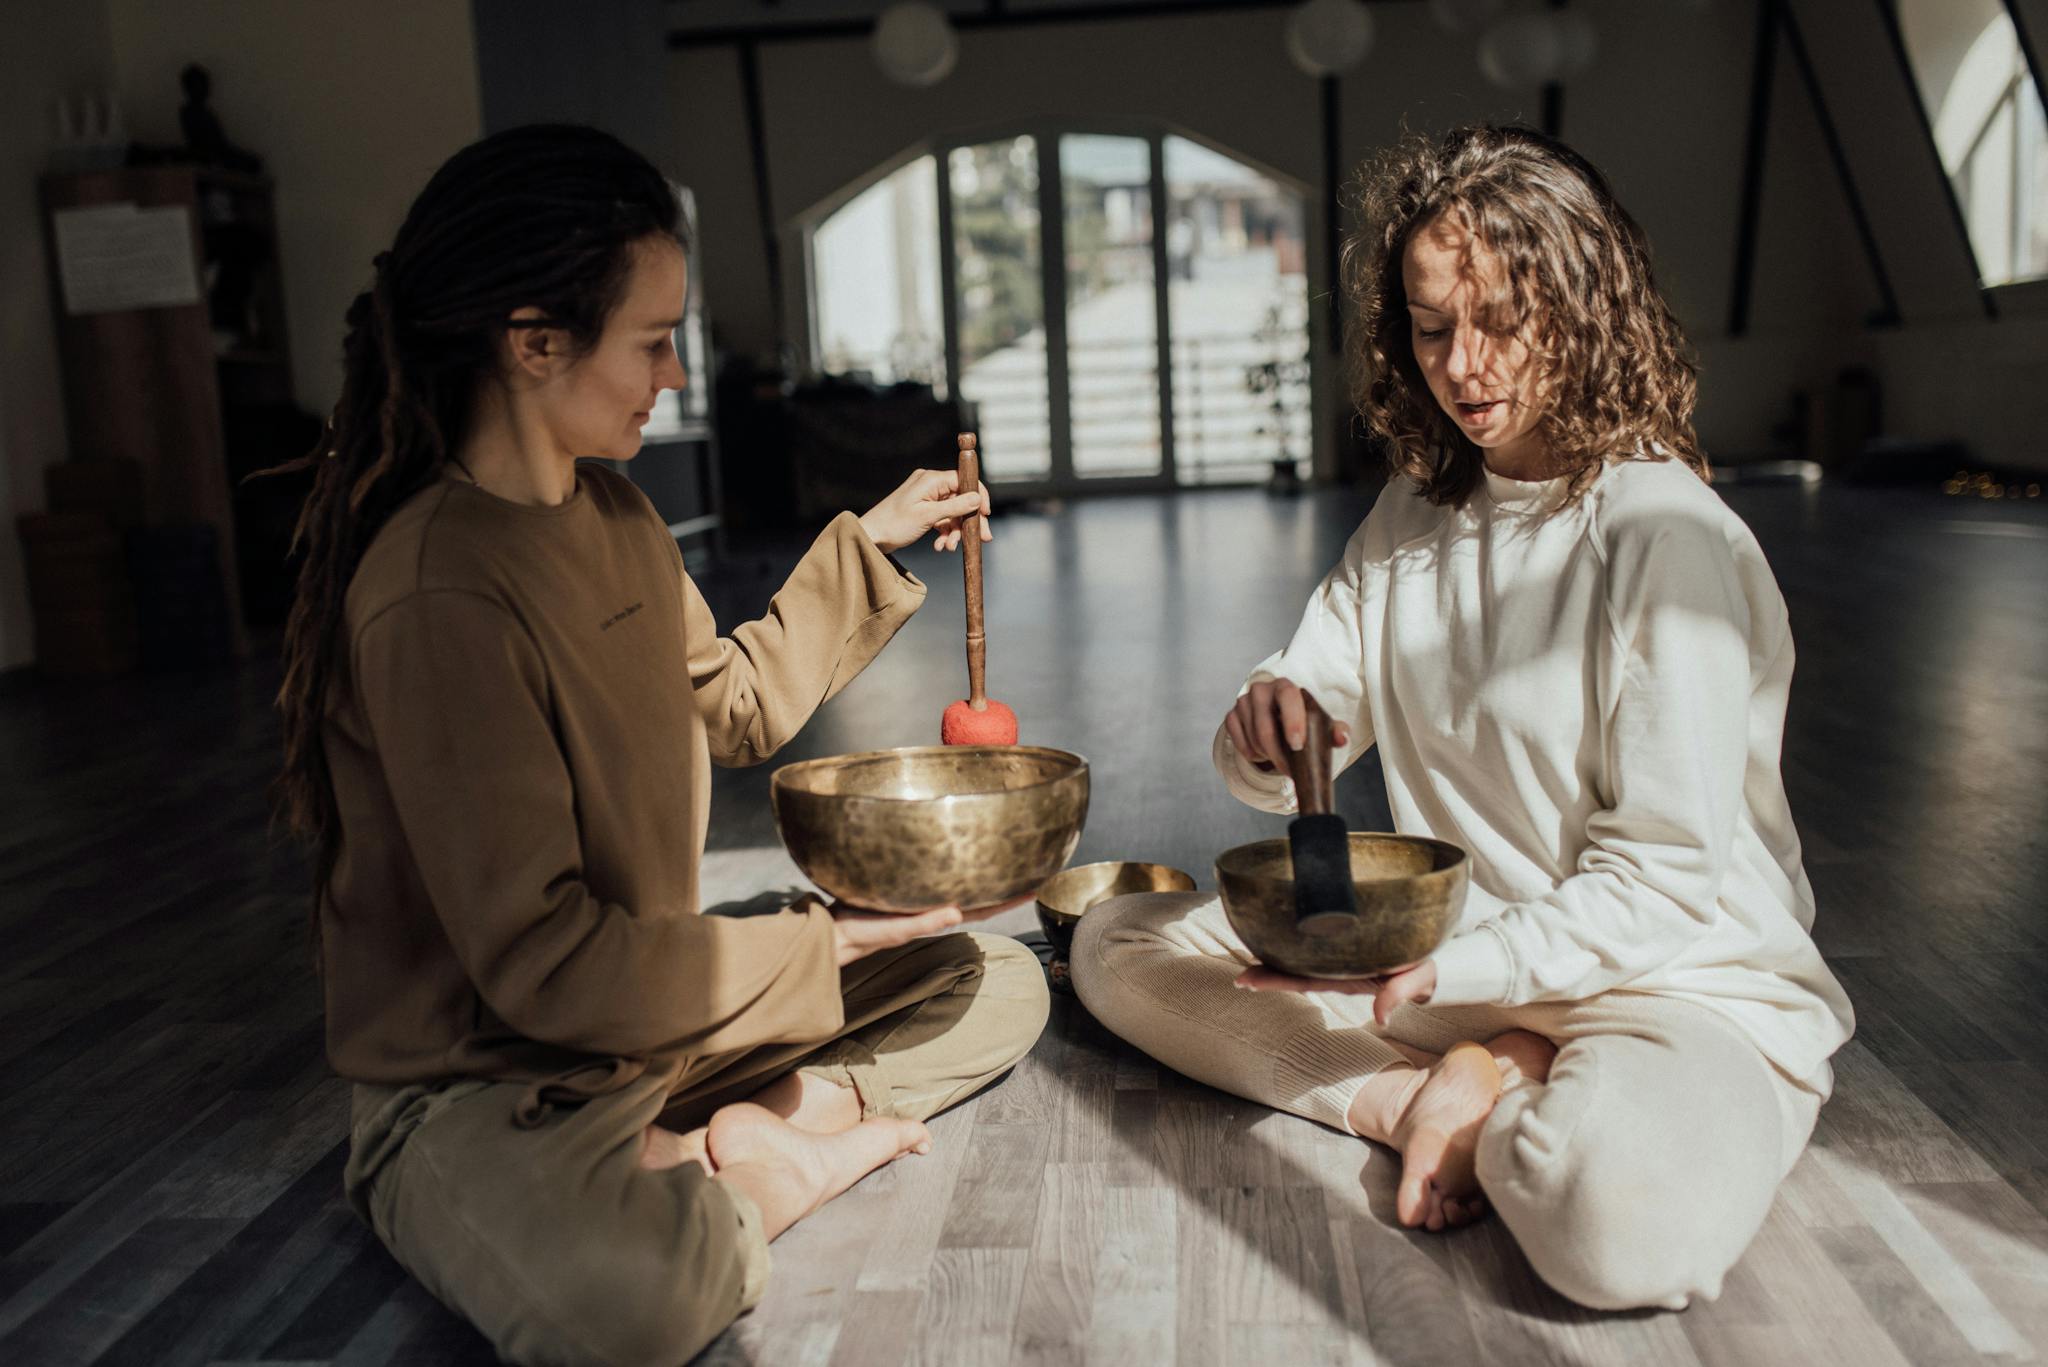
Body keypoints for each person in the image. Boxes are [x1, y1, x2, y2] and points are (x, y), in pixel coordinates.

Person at [270, 125, 1050, 1365]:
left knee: (992, 980)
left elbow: (733, 701)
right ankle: (761, 1176)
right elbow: (541, 964)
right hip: (489, 1085)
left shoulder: (618, 518)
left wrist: (878, 536)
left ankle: (735, 1133)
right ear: (534, 343)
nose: (677, 374)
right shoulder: (437, 592)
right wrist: (820, 944)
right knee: (621, 1306)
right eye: (650, 340)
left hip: (653, 1034)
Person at [1072, 124, 1854, 1311]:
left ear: (1582, 305)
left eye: (1498, 321)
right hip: (1455, 973)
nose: (1463, 364)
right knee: (1116, 940)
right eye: (1432, 329)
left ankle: (1501, 1068)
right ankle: (1404, 1098)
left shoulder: (1661, 532)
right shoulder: (1413, 512)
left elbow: (1660, 880)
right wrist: (1269, 722)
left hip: (1674, 985)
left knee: (1613, 1229)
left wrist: (1448, 979)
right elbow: (1299, 727)